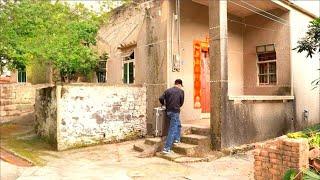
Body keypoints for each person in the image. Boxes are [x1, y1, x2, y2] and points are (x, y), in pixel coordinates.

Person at [159, 79, 184, 154]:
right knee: (172, 129)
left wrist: (164, 104)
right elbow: (181, 102)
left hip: (168, 111)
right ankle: (167, 148)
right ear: (179, 84)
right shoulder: (181, 91)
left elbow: (161, 98)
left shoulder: (167, 91)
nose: (180, 87)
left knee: (178, 125)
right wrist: (177, 106)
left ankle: (177, 139)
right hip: (175, 111)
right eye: (181, 86)